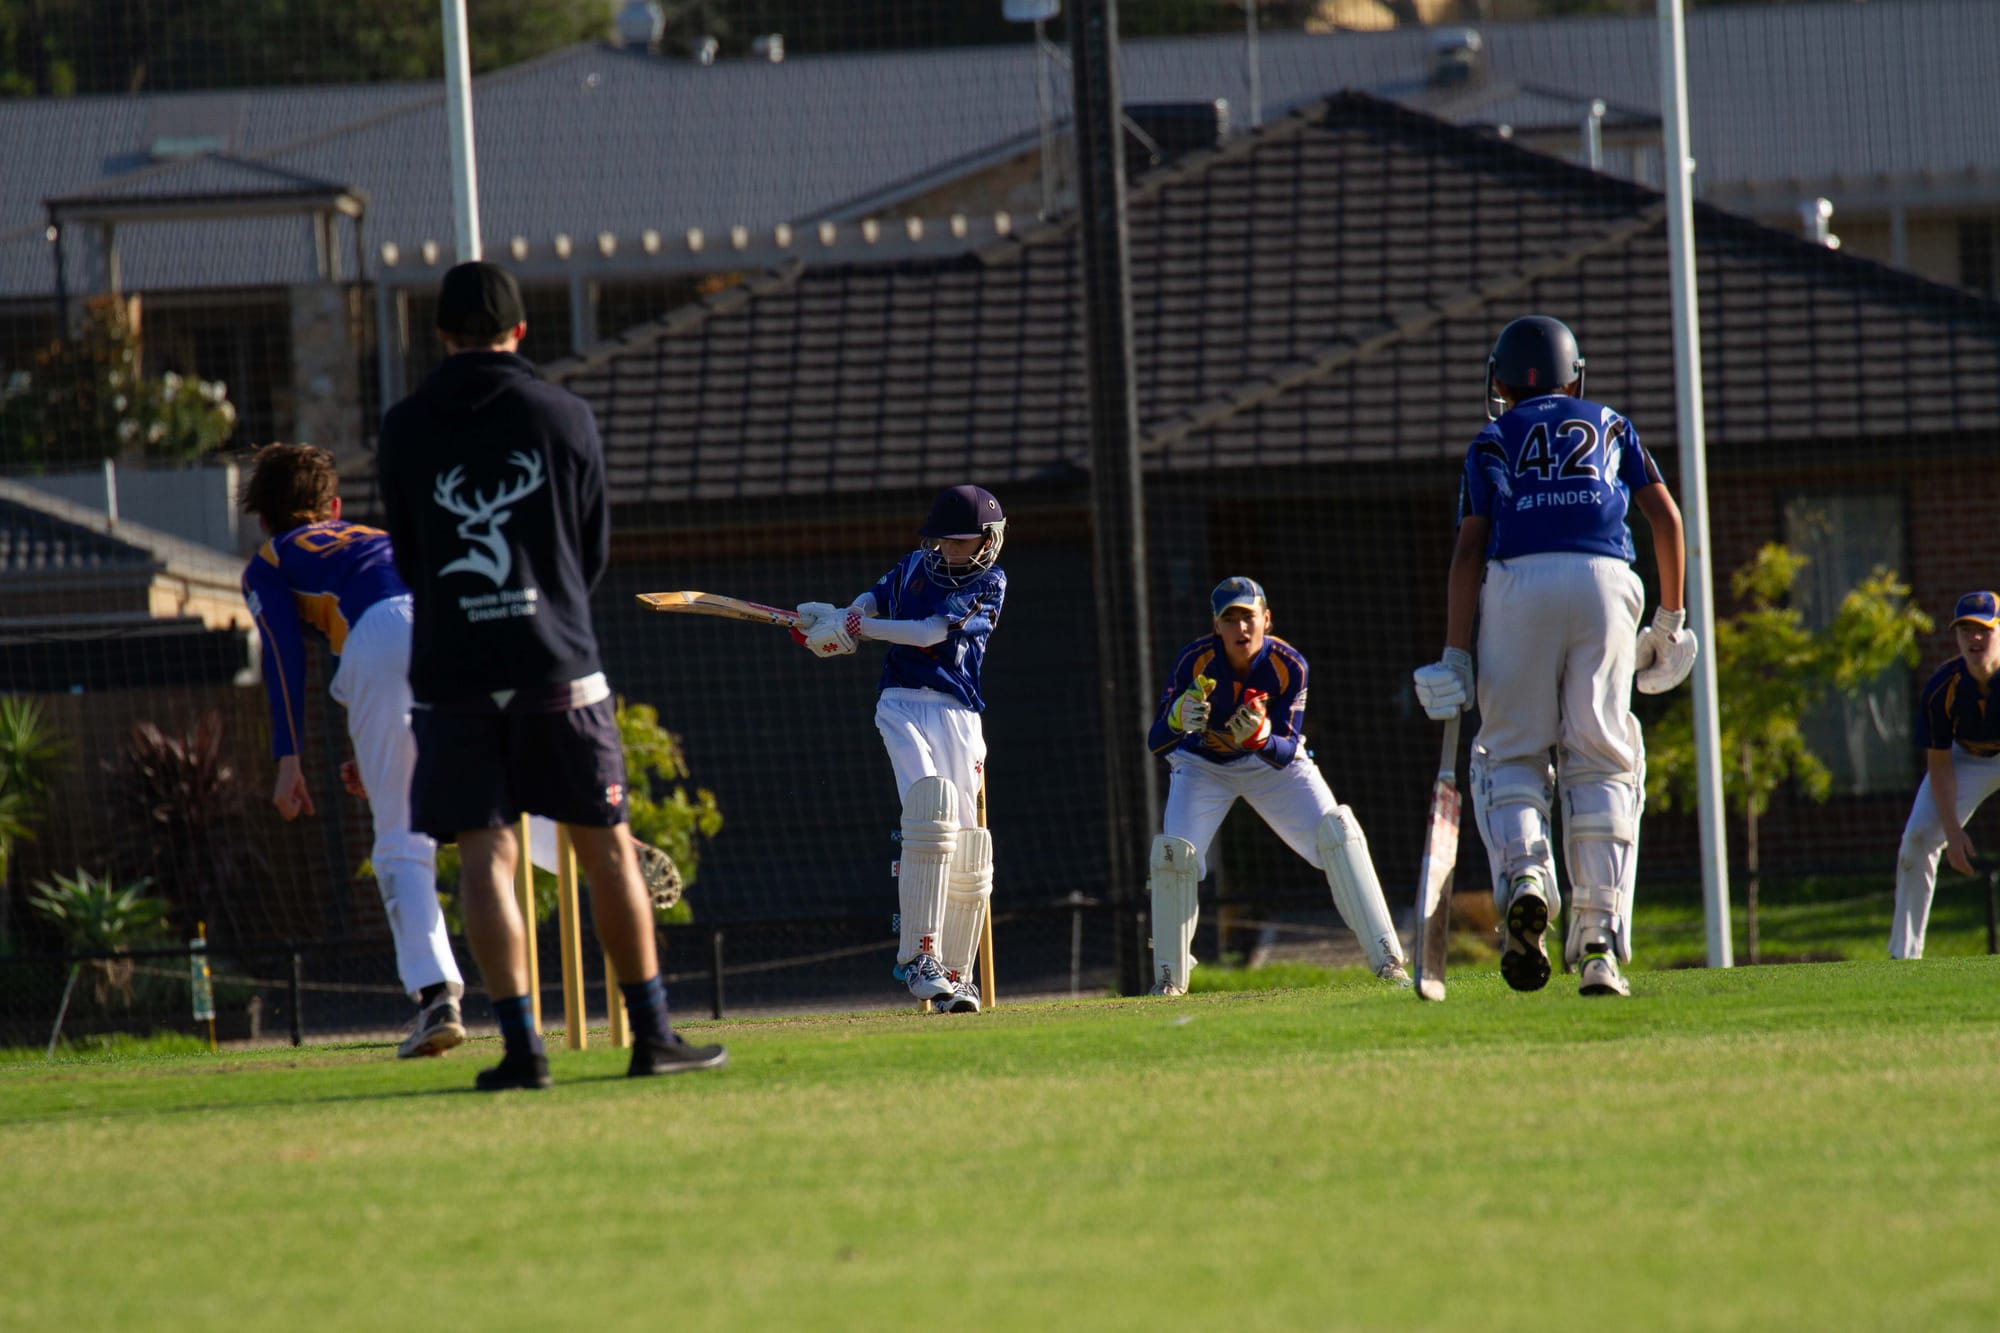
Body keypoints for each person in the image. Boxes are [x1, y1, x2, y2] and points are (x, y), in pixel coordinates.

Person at [376, 259, 724, 1089]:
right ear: (521, 331)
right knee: (607, 851)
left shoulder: (403, 426)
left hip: (453, 671)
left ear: (440, 335)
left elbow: (411, 553)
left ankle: (523, 1050)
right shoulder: (564, 414)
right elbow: (591, 546)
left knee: (484, 857)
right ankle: (652, 1035)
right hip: (556, 662)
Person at [1412, 315, 1697, 999]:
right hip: (1606, 582)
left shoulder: (1491, 438)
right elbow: (1665, 518)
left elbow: (1467, 552)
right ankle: (1599, 939)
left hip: (1519, 584)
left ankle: (1530, 876)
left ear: (1501, 382)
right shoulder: (1610, 423)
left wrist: (1456, 655)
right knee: (1600, 757)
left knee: (1511, 756)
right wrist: (1671, 618)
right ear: (1576, 376)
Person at [238, 443, 467, 1059]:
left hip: (381, 641)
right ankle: (597, 835)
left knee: (400, 840)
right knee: (487, 803)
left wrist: (289, 760)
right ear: (334, 507)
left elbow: (285, 656)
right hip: (453, 625)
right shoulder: (375, 534)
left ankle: (435, 994)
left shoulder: (269, 560)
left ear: (263, 519)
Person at [793, 485, 1006, 1013]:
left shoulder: (990, 581)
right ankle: (919, 957)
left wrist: (857, 628)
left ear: (987, 540)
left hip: (958, 712)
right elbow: (874, 597)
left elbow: (931, 632)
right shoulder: (915, 565)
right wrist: (847, 613)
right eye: (945, 542)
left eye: (961, 543)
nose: (950, 553)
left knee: (967, 841)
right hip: (901, 703)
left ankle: (957, 974)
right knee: (929, 809)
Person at [1144, 576, 1410, 995]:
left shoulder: (1289, 665)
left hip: (1269, 766)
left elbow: (1286, 751)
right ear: (1216, 626)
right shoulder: (1193, 661)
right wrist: (1178, 716)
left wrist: (1261, 738)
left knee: (1337, 832)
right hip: (1202, 767)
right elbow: (1156, 741)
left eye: (1248, 617)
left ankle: (1388, 960)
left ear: (1266, 620)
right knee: (1174, 855)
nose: (1240, 629)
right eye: (1229, 619)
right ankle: (1168, 981)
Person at [1889, 591, 2000, 959]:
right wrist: (1952, 833)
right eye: (1966, 630)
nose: (1975, 639)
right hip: (1967, 756)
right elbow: (1939, 763)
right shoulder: (1942, 687)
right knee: (1918, 839)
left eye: (1984, 629)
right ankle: (1903, 958)